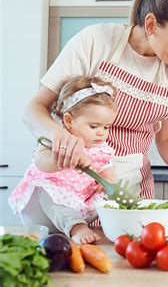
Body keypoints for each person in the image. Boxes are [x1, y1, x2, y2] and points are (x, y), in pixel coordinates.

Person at [23, 0, 168, 200]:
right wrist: (58, 136)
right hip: (74, 186)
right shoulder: (96, 41)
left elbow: (167, 138)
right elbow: (34, 109)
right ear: (152, 24)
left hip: (131, 189)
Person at [10, 76, 118, 244]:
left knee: (103, 197)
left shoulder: (100, 149)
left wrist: (107, 182)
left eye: (106, 127)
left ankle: (79, 225)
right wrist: (63, 160)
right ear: (69, 121)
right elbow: (41, 162)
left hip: (79, 208)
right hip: (44, 212)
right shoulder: (56, 139)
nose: (101, 133)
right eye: (94, 126)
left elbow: (107, 171)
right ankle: (76, 228)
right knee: (46, 187)